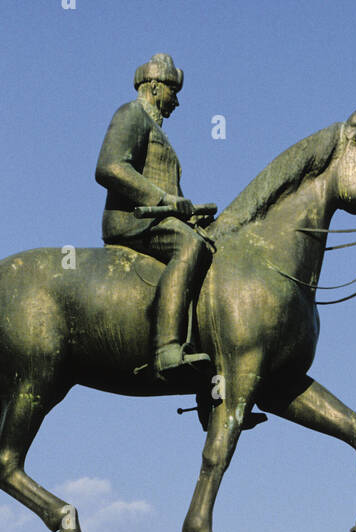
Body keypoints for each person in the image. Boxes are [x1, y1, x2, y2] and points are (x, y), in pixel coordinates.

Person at [95, 53, 213, 380]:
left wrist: (189, 213)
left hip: (158, 219)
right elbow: (110, 167)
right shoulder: (131, 114)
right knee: (190, 246)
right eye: (173, 92)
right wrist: (164, 199)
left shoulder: (156, 130)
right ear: (155, 87)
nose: (177, 102)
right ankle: (167, 348)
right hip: (133, 221)